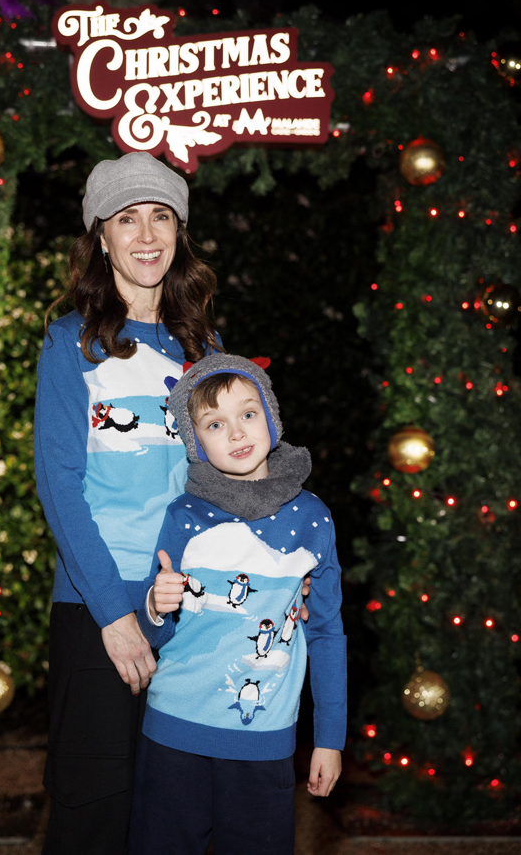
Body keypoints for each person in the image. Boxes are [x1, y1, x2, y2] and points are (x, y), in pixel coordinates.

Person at [34, 151, 221, 855]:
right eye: (127, 218)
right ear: (101, 236)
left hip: (190, 607)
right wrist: (115, 615)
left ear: (179, 232)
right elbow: (60, 489)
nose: (147, 234)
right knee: (94, 814)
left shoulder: (203, 347)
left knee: (177, 816)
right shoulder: (69, 345)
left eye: (162, 216)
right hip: (98, 611)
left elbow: (223, 483)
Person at [130, 353, 347, 855]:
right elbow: (155, 630)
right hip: (172, 737)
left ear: (270, 415)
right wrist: (157, 606)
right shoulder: (184, 513)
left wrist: (330, 739)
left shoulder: (312, 519)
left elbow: (327, 633)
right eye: (214, 423)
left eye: (248, 414)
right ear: (195, 442)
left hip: (264, 744)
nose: (236, 433)